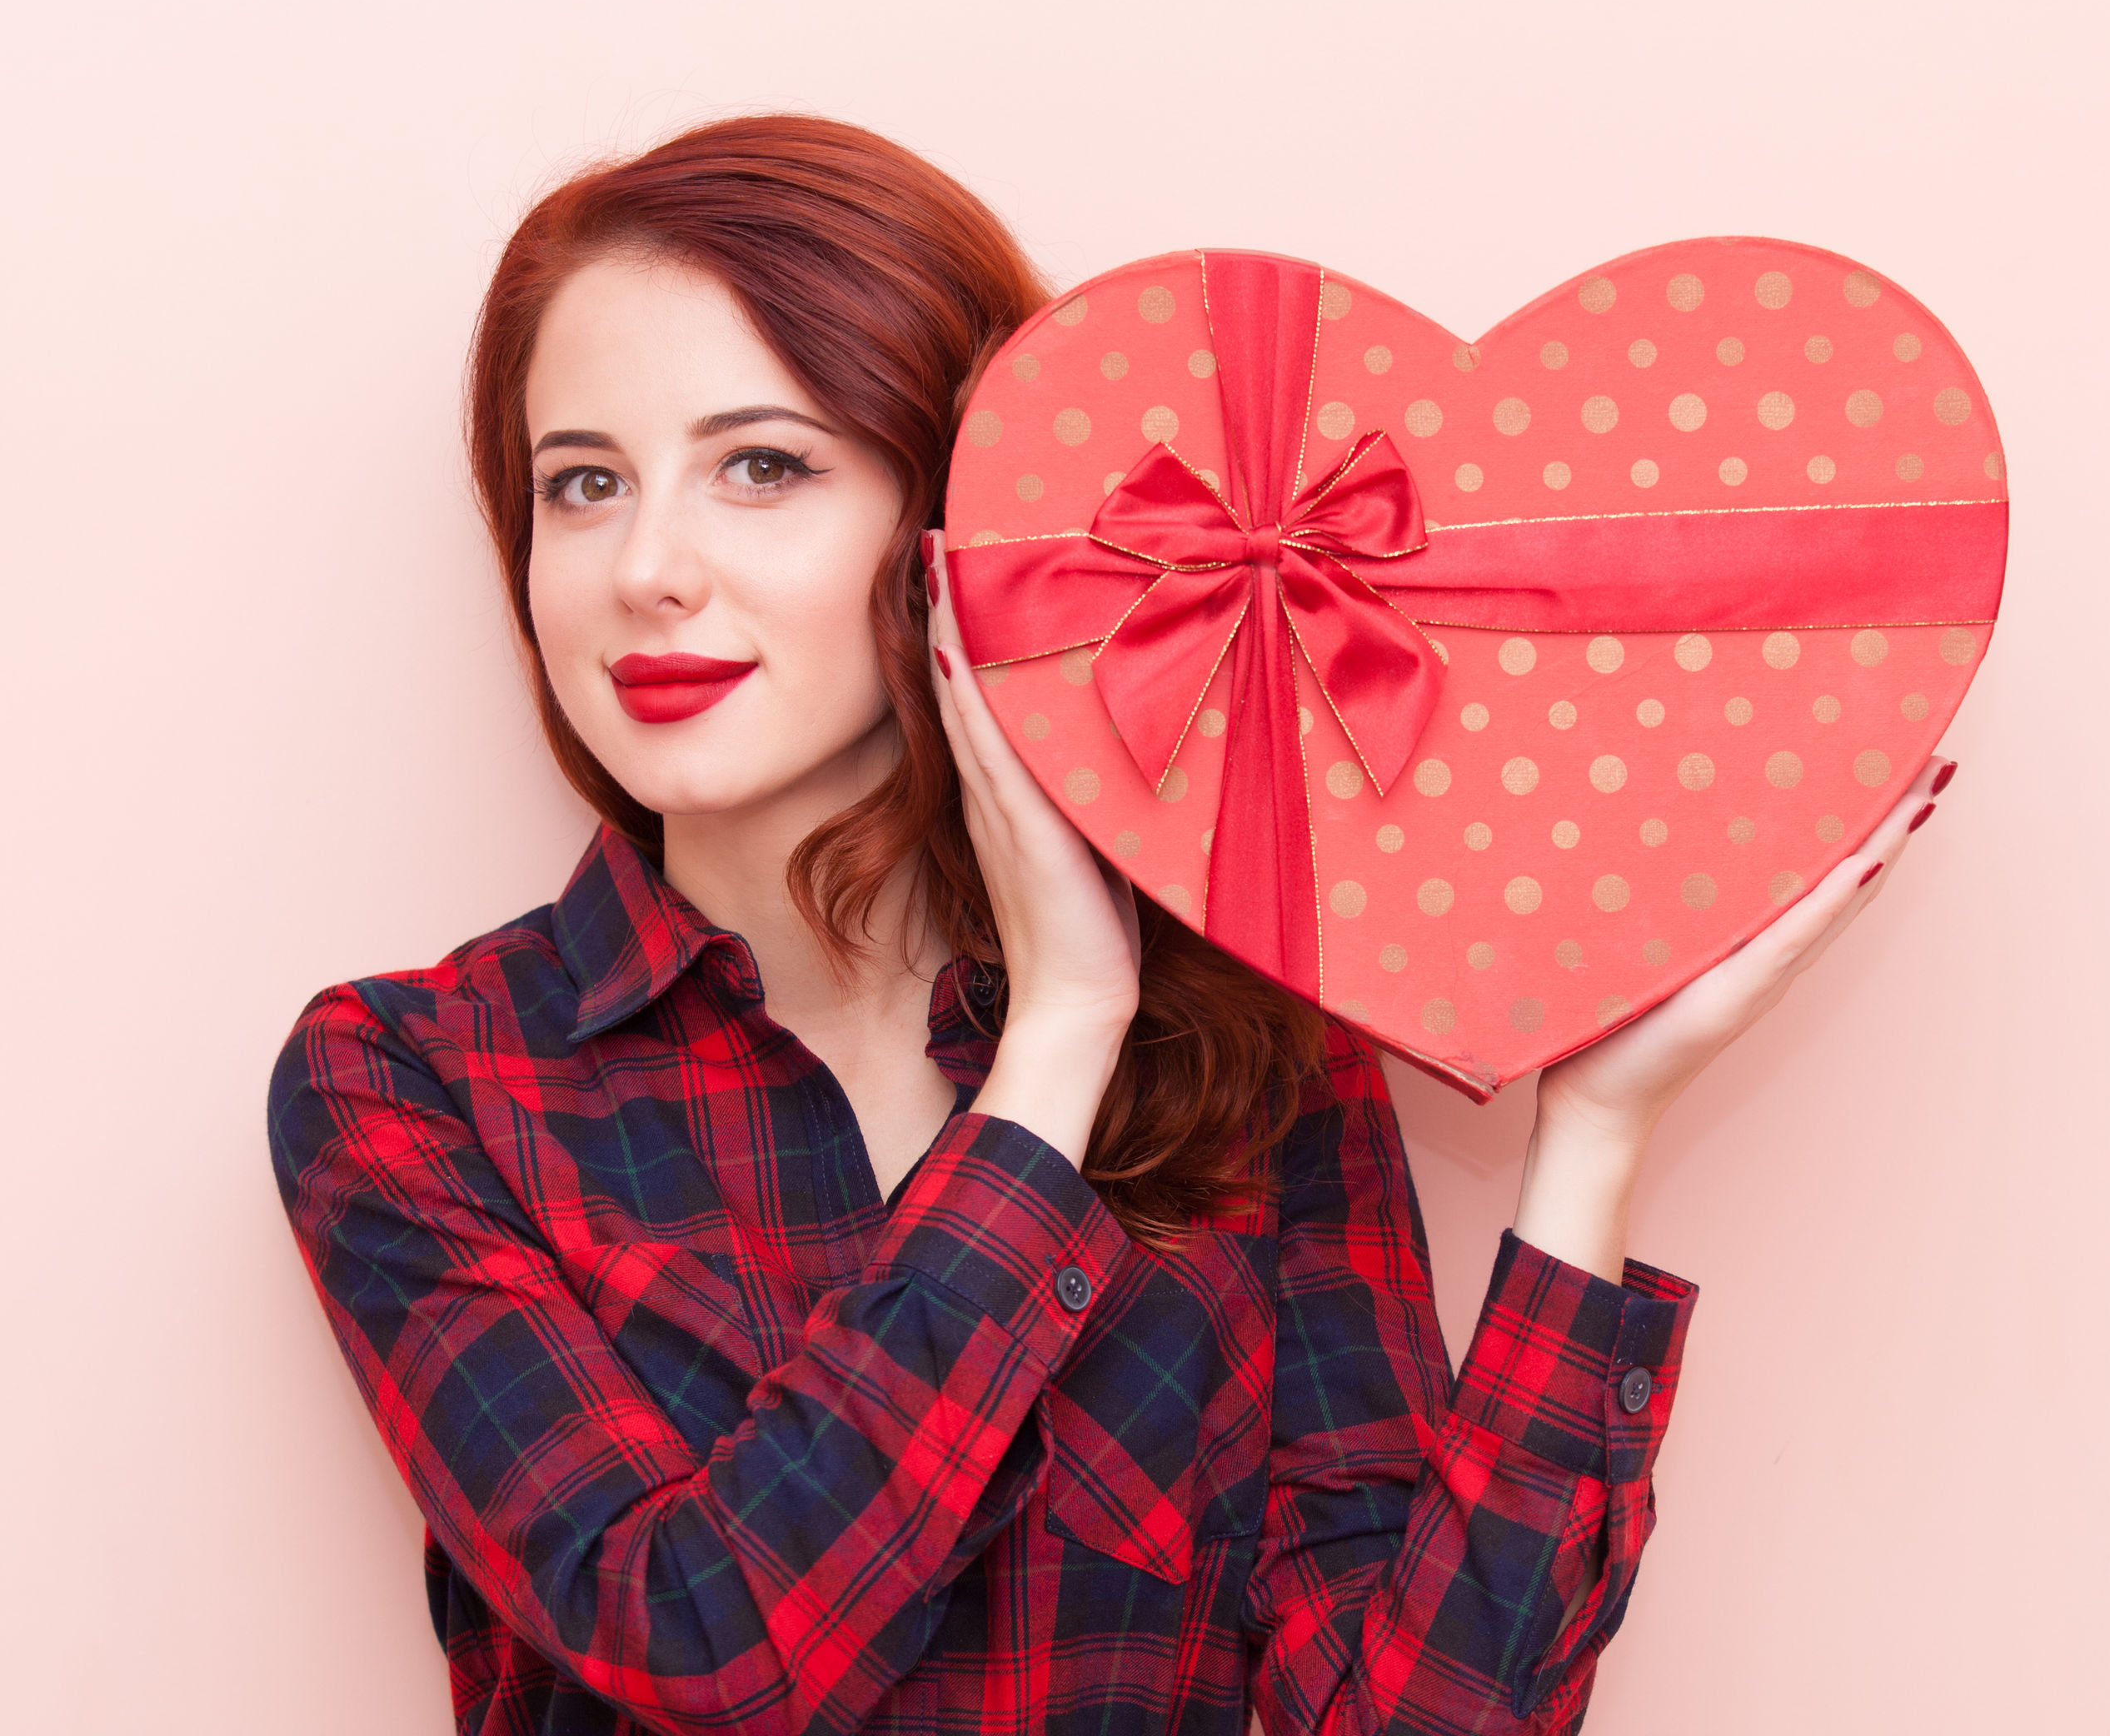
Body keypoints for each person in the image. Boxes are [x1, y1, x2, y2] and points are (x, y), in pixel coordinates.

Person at [268, 113, 1953, 1736]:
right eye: (581, 484)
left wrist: (1592, 1136)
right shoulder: (415, 1085)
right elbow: (719, 1647)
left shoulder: (1252, 1058)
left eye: (761, 467)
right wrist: (1061, 1034)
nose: (648, 567)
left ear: (955, 521)